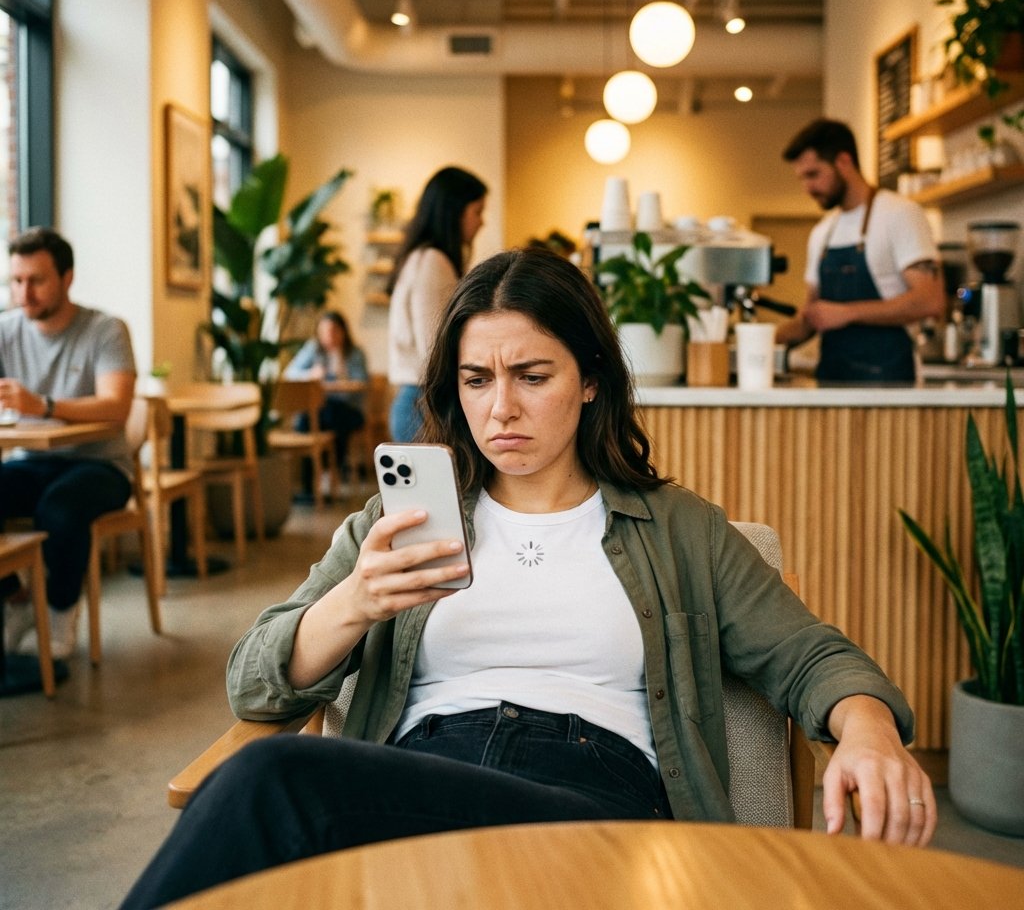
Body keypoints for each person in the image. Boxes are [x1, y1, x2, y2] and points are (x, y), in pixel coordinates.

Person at [121, 246, 935, 909]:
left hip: (594, 815)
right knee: (271, 777)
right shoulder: (396, 524)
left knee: (279, 784)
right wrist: (354, 601)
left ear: (589, 380)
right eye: (477, 380)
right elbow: (253, 685)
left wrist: (866, 728)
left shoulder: (680, 529)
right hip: (414, 792)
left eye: (531, 377)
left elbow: (809, 655)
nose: (499, 408)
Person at [0, 228, 136, 660]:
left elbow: (116, 407)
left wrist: (43, 405)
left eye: (36, 280)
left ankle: (61, 610)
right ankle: (17, 598)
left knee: (60, 509)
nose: (25, 292)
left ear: (67, 278)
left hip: (101, 465)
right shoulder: (5, 330)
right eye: (16, 281)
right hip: (31, 458)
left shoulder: (105, 329)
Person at [776, 118, 944, 383]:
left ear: (843, 161)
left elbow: (929, 301)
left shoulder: (900, 214)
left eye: (813, 174)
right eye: (802, 179)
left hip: (890, 383)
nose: (807, 188)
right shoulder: (822, 233)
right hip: (831, 382)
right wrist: (760, 340)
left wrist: (847, 313)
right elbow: (812, 316)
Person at [386, 165, 487, 441]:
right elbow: (434, 348)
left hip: (415, 401)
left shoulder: (421, 258)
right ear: (455, 212)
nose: (482, 222)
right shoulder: (433, 262)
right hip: (423, 405)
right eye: (477, 211)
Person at [284, 310, 369, 485]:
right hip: (322, 409)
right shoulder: (313, 349)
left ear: (343, 331)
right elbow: (289, 373)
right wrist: (310, 374)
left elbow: (361, 383)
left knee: (336, 417)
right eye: (324, 332)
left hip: (349, 408)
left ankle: (328, 473)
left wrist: (342, 376)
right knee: (306, 420)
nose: (329, 336)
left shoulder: (354, 353)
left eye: (333, 331)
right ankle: (312, 482)